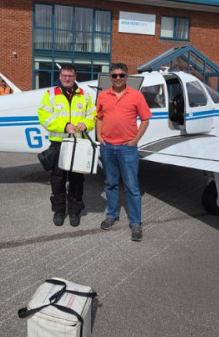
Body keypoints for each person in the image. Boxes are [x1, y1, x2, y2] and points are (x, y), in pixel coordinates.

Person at [95, 63, 151, 241]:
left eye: (121, 75)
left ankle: (136, 223)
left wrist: (135, 141)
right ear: (110, 77)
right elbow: (99, 117)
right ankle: (112, 215)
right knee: (110, 183)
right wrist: (99, 136)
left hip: (128, 148)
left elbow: (145, 120)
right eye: (114, 75)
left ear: (127, 77)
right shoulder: (103, 96)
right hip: (108, 147)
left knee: (132, 187)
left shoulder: (136, 95)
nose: (117, 78)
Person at [37, 64, 96, 227]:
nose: (67, 78)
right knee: (57, 180)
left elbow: (93, 115)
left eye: (70, 75)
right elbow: (44, 117)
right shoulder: (50, 94)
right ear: (60, 76)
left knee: (77, 180)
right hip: (58, 144)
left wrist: (86, 124)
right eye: (64, 75)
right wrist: (65, 126)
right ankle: (59, 211)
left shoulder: (84, 95)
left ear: (75, 77)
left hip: (79, 144)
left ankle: (74, 211)